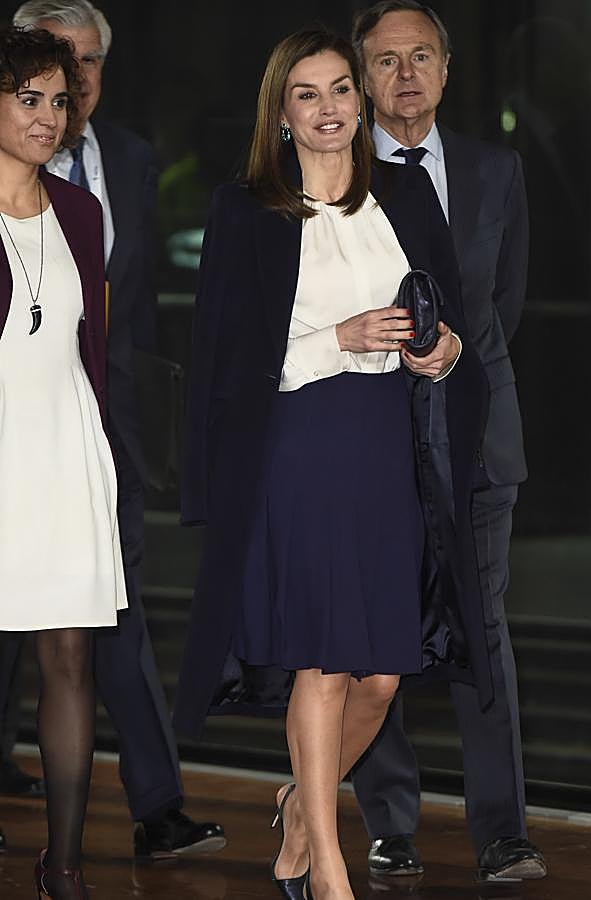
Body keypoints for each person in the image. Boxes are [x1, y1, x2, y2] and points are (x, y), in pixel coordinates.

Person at [173, 26, 492, 900]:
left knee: (382, 674)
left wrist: (442, 352)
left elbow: (452, 327)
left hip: (389, 446)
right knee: (324, 661)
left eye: (341, 90)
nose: (329, 109)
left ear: (361, 101)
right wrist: (336, 340)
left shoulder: (407, 198)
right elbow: (228, 362)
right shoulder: (248, 208)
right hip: (297, 448)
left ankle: (299, 811)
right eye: (307, 94)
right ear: (281, 113)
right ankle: (331, 870)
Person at [7, 0, 224, 859]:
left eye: (85, 65)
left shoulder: (123, 167)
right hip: (9, 440)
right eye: (48, 70)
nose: (70, 85)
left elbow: (126, 318)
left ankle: (152, 805)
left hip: (98, 430)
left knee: (111, 618)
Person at [348, 0, 547, 884]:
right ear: (361, 76)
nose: (406, 74)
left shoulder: (495, 168)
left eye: (421, 55)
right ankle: (390, 825)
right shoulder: (332, 171)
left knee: (483, 628)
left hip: (477, 442)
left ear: (446, 67)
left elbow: (502, 305)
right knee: (380, 633)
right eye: (386, 60)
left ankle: (503, 832)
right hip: (369, 442)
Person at [0, 24, 126, 898]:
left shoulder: (79, 213)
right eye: (27, 98)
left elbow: (96, 347)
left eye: (59, 100)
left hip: (64, 447)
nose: (48, 116)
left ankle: (68, 866)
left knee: (71, 655)